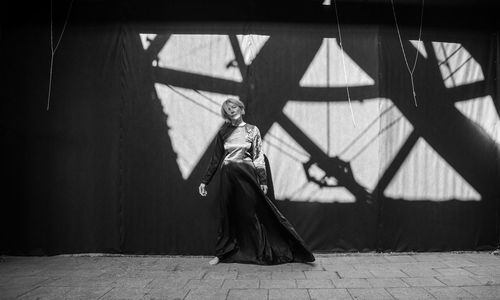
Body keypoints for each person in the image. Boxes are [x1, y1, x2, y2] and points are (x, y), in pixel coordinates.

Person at [198, 98, 315, 265]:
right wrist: (205, 181)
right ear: (226, 113)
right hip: (228, 176)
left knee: (251, 213)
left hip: (247, 175)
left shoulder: (253, 130)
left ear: (241, 109)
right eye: (228, 108)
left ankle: (261, 252)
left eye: (234, 106)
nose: (232, 110)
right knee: (227, 214)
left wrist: (263, 180)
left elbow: (258, 157)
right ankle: (222, 254)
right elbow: (216, 159)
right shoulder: (223, 132)